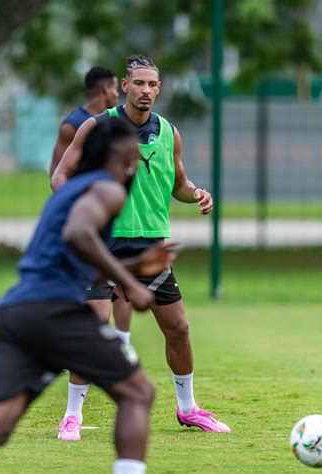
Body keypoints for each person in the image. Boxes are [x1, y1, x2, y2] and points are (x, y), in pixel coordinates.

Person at [0, 118, 178, 474]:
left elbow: (70, 258)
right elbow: (78, 234)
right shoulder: (107, 189)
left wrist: (134, 266)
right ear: (129, 160)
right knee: (138, 393)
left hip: (15, 313)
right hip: (56, 313)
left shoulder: (70, 190)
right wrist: (132, 284)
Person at [51, 54, 231, 440]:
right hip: (103, 245)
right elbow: (61, 174)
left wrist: (196, 193)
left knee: (179, 328)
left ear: (159, 89)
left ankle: (188, 410)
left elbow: (178, 183)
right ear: (125, 86)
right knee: (95, 327)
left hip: (150, 249)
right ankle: (72, 415)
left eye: (153, 84)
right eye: (139, 84)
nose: (146, 90)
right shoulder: (98, 127)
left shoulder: (169, 132)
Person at [50, 67, 133, 439]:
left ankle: (123, 346)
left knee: (126, 292)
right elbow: (59, 172)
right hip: (88, 228)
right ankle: (72, 413)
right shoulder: (77, 125)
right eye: (117, 87)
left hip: (123, 229)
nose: (119, 93)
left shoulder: (120, 124)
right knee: (92, 316)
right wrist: (79, 207)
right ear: (107, 89)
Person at [50, 66, 119, 176]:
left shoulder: (115, 120)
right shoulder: (72, 125)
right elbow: (57, 173)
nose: (117, 94)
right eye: (115, 88)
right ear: (105, 89)